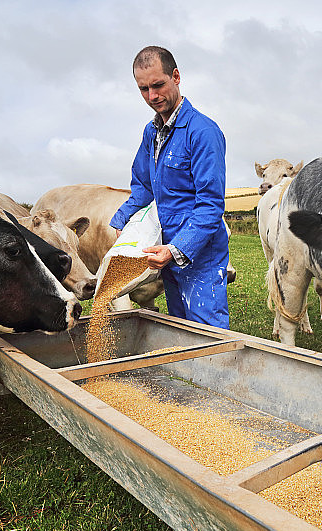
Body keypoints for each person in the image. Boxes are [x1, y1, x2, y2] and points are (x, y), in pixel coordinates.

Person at [109, 46, 230, 329]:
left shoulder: (202, 132)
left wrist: (177, 249)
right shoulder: (151, 133)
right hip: (165, 248)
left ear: (176, 76)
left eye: (158, 85)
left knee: (207, 331)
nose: (152, 96)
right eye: (143, 89)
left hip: (198, 252)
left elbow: (210, 204)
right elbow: (142, 186)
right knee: (179, 327)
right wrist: (122, 219)